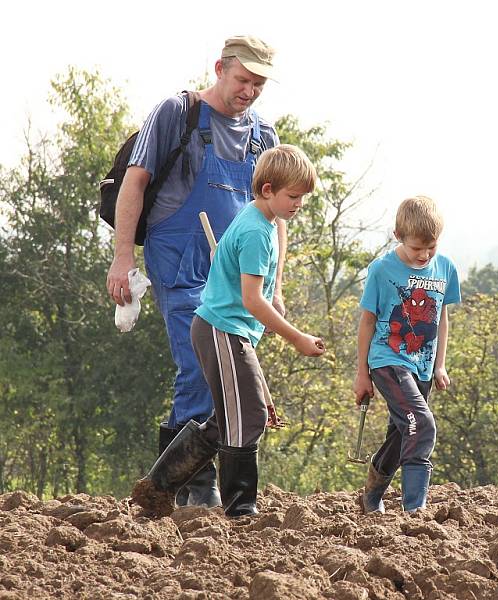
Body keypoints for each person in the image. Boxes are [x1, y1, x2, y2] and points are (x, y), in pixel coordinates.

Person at [106, 36, 285, 507]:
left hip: (238, 276)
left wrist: (276, 284)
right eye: (242, 79)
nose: (249, 91)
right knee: (199, 366)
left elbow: (274, 216)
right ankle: (190, 491)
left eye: (258, 83)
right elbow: (135, 183)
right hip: (179, 258)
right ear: (219, 69)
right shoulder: (176, 114)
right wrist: (123, 256)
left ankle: (178, 484)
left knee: (229, 375)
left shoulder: (264, 136)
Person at [132, 144, 325, 518]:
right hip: (223, 331)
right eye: (294, 196)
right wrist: (297, 337)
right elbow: (253, 301)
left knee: (228, 419)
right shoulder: (256, 232)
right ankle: (241, 507)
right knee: (247, 417)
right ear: (267, 190)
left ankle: (157, 486)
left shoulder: (260, 221)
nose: (298, 204)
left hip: (226, 331)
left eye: (303, 197)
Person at [352, 195, 461, 513]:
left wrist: (439, 365)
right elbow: (368, 321)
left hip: (423, 365)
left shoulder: (445, 268)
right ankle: (415, 509)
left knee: (405, 430)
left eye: (432, 247)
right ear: (398, 236)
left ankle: (373, 489)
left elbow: (441, 318)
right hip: (387, 359)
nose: (425, 255)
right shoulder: (382, 270)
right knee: (421, 424)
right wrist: (362, 373)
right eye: (417, 249)